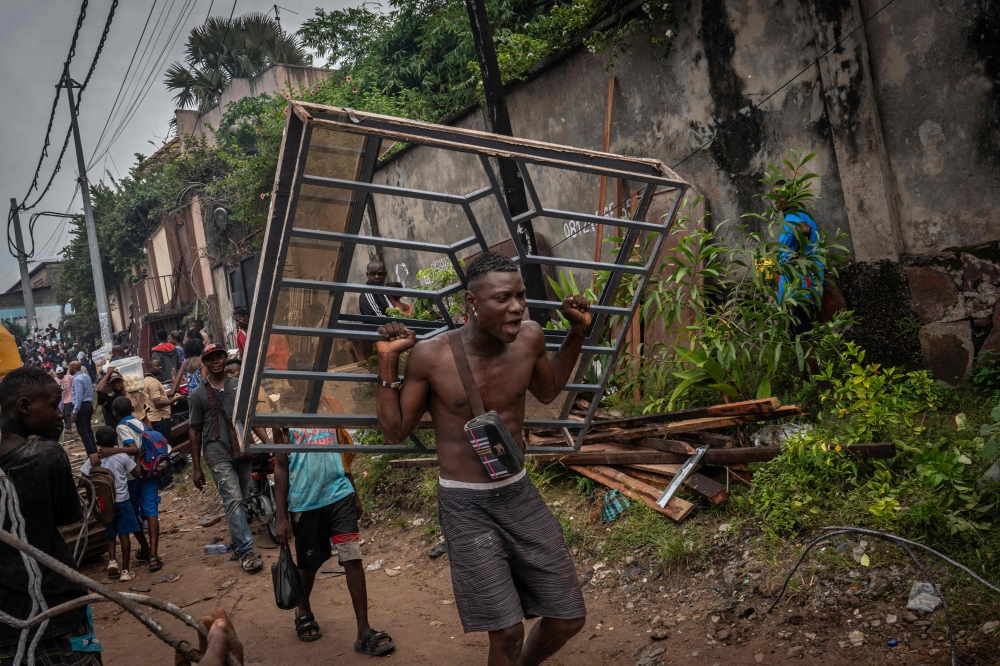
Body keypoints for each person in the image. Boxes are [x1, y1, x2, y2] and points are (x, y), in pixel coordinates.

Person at [375, 252, 589, 666]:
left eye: (521, 296)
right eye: (503, 298)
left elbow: (547, 392)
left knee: (568, 617)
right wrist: (388, 360)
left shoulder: (529, 338)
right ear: (472, 303)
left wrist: (576, 334)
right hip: (465, 505)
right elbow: (396, 429)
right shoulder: (432, 357)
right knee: (506, 632)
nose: (517, 307)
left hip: (519, 495)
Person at [0, 367, 103, 665]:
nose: (60, 414)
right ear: (24, 407)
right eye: (53, 404)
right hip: (58, 612)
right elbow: (68, 516)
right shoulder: (48, 456)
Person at [273, 425, 394, 652]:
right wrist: (280, 516)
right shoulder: (282, 419)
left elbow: (341, 457)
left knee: (352, 557)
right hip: (305, 502)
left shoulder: (327, 410)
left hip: (340, 495)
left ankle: (363, 630)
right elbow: (281, 467)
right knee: (308, 564)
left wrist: (354, 493)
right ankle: (303, 607)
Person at [188, 344, 270, 574]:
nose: (215, 361)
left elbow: (251, 419)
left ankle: (238, 545)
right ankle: (247, 551)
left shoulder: (239, 387)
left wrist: (267, 444)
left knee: (242, 499)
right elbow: (194, 431)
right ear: (205, 362)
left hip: (242, 449)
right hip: (217, 452)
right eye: (210, 358)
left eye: (219, 357)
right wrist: (197, 468)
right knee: (233, 499)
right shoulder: (198, 395)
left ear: (225, 358)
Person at [104, 397, 164, 572]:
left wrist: (114, 450)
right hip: (151, 472)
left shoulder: (122, 427)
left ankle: (145, 548)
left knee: (133, 512)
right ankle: (153, 555)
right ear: (132, 408)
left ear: (114, 413)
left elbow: (133, 448)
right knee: (151, 511)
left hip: (132, 476)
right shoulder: (139, 423)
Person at [82, 425, 143, 582]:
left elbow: (83, 478)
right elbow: (137, 473)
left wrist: (94, 465)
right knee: (124, 535)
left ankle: (112, 561)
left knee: (110, 534)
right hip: (122, 501)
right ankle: (125, 570)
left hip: (104, 504)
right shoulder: (121, 457)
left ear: (97, 443)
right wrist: (137, 457)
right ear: (116, 441)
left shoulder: (93, 459)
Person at [144, 358, 182, 447]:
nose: (160, 367)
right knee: (166, 446)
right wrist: (176, 399)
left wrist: (172, 396)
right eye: (157, 366)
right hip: (160, 420)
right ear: (149, 368)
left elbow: (159, 397)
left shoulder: (146, 380)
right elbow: (157, 403)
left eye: (160, 365)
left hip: (154, 419)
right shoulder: (153, 383)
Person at [70, 360, 97, 455]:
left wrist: (75, 411)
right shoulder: (86, 377)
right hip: (88, 404)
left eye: (70, 367)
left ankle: (91, 454)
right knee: (88, 430)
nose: (69, 369)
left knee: (83, 432)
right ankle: (94, 451)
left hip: (81, 406)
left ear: (74, 368)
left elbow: (79, 397)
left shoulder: (77, 380)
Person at [57, 365, 74, 439]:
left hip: (69, 398)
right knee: (63, 414)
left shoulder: (68, 377)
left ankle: (68, 427)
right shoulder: (55, 380)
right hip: (61, 400)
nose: (60, 375)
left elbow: (75, 381)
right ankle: (67, 425)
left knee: (67, 414)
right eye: (59, 374)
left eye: (61, 373)